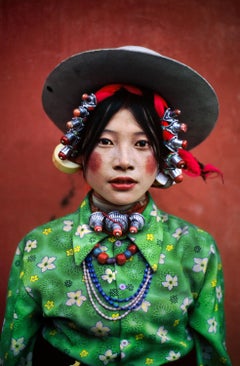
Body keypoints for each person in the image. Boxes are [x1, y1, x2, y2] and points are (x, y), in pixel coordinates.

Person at [0, 46, 232, 366]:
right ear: (79, 151)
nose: (124, 162)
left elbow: (212, 354)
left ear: (162, 156)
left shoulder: (196, 249)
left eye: (142, 144)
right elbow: (15, 352)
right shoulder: (38, 248)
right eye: (105, 142)